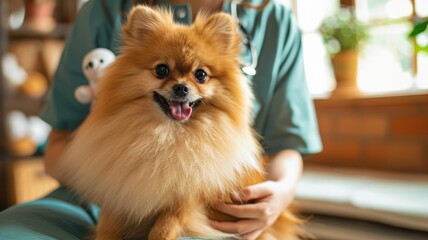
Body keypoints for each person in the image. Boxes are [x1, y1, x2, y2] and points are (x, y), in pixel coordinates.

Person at [0, 0, 322, 239]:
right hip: (92, 199)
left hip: (220, 210)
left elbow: (286, 145)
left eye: (199, 75)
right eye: (162, 71)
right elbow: (58, 146)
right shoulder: (105, 9)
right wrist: (110, 179)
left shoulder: (274, 20)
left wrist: (279, 193)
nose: (182, 86)